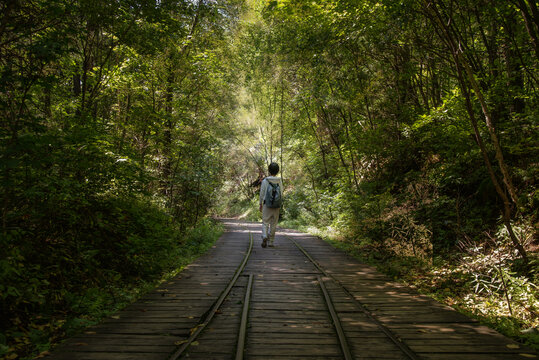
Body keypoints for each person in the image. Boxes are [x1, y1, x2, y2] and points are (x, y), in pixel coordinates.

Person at [259, 162, 283, 248]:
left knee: (265, 222)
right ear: (277, 171)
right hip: (276, 205)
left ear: (269, 170)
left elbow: (262, 193)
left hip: (267, 204)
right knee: (274, 223)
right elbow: (281, 193)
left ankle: (265, 235)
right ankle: (271, 242)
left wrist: (260, 204)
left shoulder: (265, 181)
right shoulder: (279, 180)